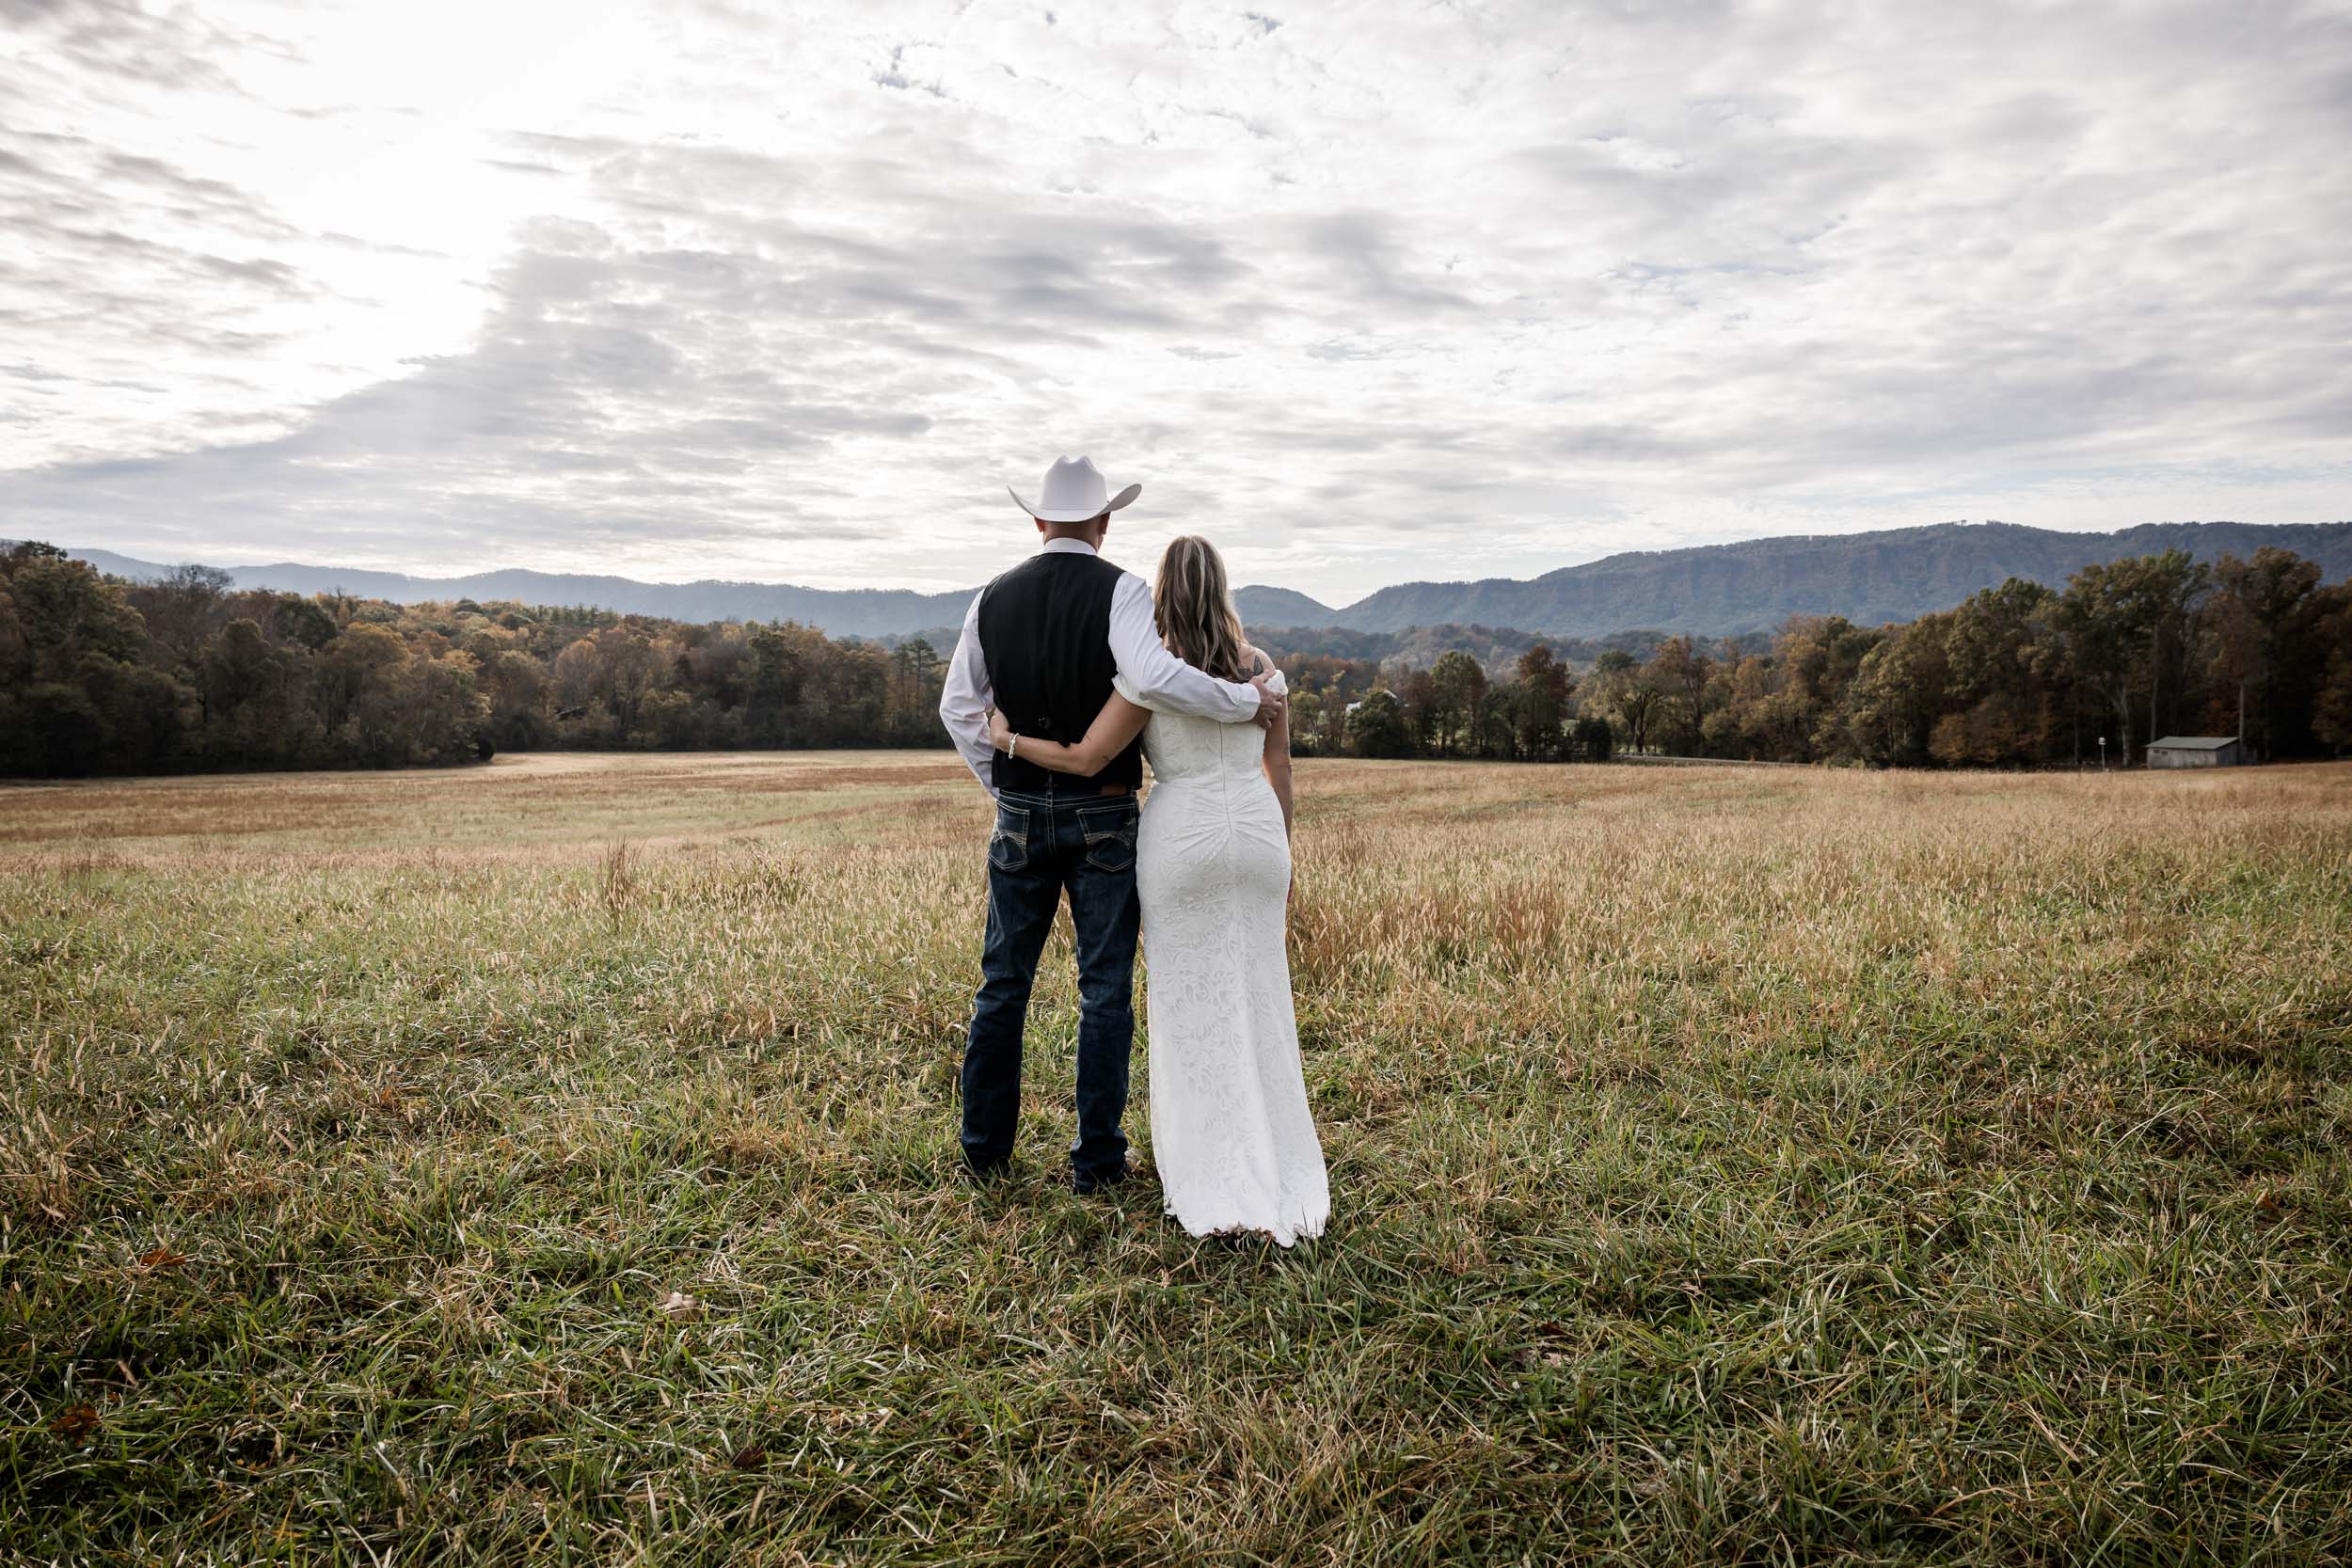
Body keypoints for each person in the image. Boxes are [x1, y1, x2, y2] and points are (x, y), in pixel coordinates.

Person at [938, 455, 1285, 1193]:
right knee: (1104, 988)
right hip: (1102, 810)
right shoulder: (1121, 589)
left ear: (1038, 520)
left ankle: (984, 1153)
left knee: (1002, 984)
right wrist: (1244, 701)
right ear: (1103, 522)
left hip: (1020, 811)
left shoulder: (990, 597)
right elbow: (1153, 678)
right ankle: (1096, 1162)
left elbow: (958, 707)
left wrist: (1005, 786)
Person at [986, 533, 1328, 1246]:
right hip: (1257, 836)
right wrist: (1283, 854)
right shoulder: (1262, 672)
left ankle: (1208, 1165)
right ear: (1223, 589)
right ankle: (1276, 1152)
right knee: (1260, 996)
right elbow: (1282, 767)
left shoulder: (1149, 674)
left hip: (1183, 842)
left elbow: (1088, 757)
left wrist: (1008, 740)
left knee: (1187, 1005)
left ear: (1161, 593)